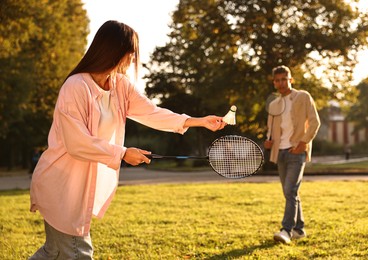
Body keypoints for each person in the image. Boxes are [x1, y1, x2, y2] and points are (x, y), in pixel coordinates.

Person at [29, 20, 226, 259]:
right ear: (114, 51)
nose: (133, 59)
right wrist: (122, 153)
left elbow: (152, 112)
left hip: (78, 185)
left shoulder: (120, 85)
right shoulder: (76, 87)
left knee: (52, 253)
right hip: (61, 183)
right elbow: (76, 142)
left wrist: (198, 121)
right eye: (131, 53)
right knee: (77, 253)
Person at [264, 65, 320, 244]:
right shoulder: (274, 104)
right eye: (277, 80)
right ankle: (299, 229)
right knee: (290, 193)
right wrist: (269, 141)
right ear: (274, 83)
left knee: (290, 191)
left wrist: (302, 144)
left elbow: (314, 122)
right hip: (280, 153)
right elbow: (271, 131)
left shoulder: (303, 97)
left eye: (284, 79)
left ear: (291, 79)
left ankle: (286, 230)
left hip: (297, 151)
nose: (281, 83)